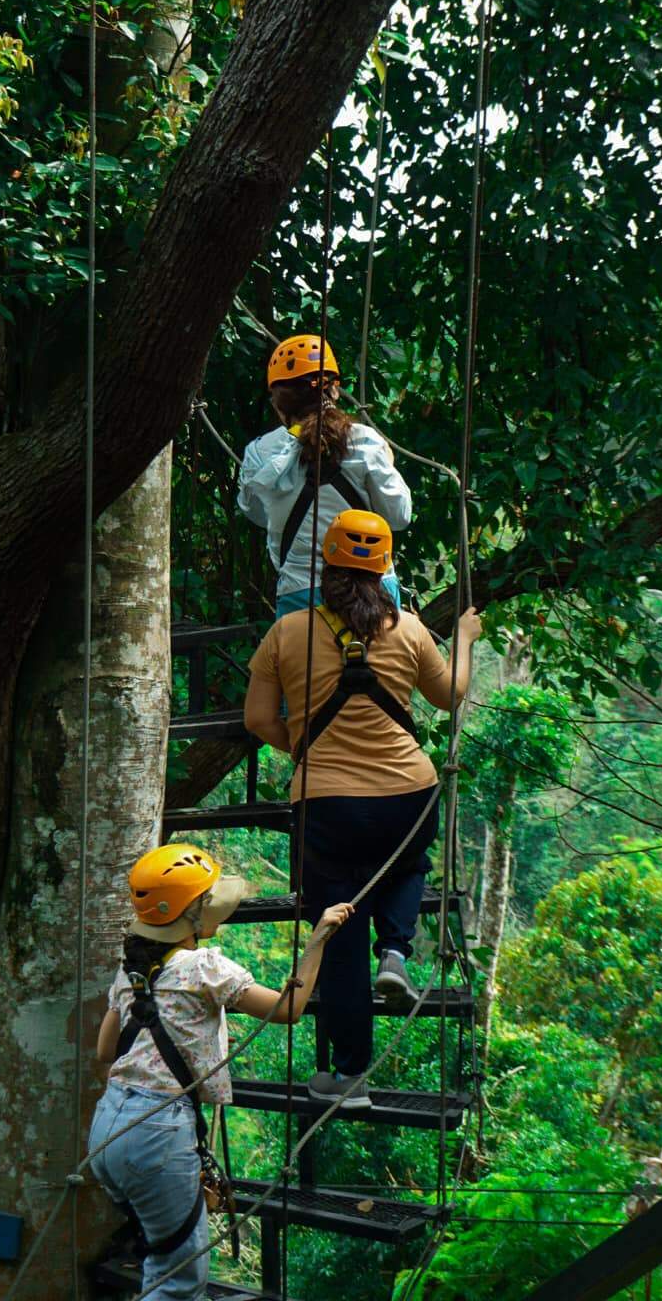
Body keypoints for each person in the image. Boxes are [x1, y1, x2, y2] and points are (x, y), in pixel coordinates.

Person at [243, 509, 481, 1109]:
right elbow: (450, 697)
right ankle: (397, 951)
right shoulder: (409, 629)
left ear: (324, 566)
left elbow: (257, 720)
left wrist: (303, 746)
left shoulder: (288, 632)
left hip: (326, 802)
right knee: (407, 866)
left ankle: (348, 1077)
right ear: (385, 570)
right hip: (408, 791)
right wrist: (468, 641)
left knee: (340, 938)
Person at [90, 843, 352, 1300]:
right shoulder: (206, 967)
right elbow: (288, 1009)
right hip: (157, 1132)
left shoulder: (131, 970)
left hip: (107, 1130)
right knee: (180, 1280)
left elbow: (104, 1050)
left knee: (159, 1258)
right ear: (193, 914)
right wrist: (317, 943)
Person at [238, 333, 412, 617]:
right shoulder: (365, 442)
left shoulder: (260, 453)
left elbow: (256, 514)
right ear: (334, 390)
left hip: (300, 595)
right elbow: (398, 516)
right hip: (373, 592)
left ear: (278, 404)